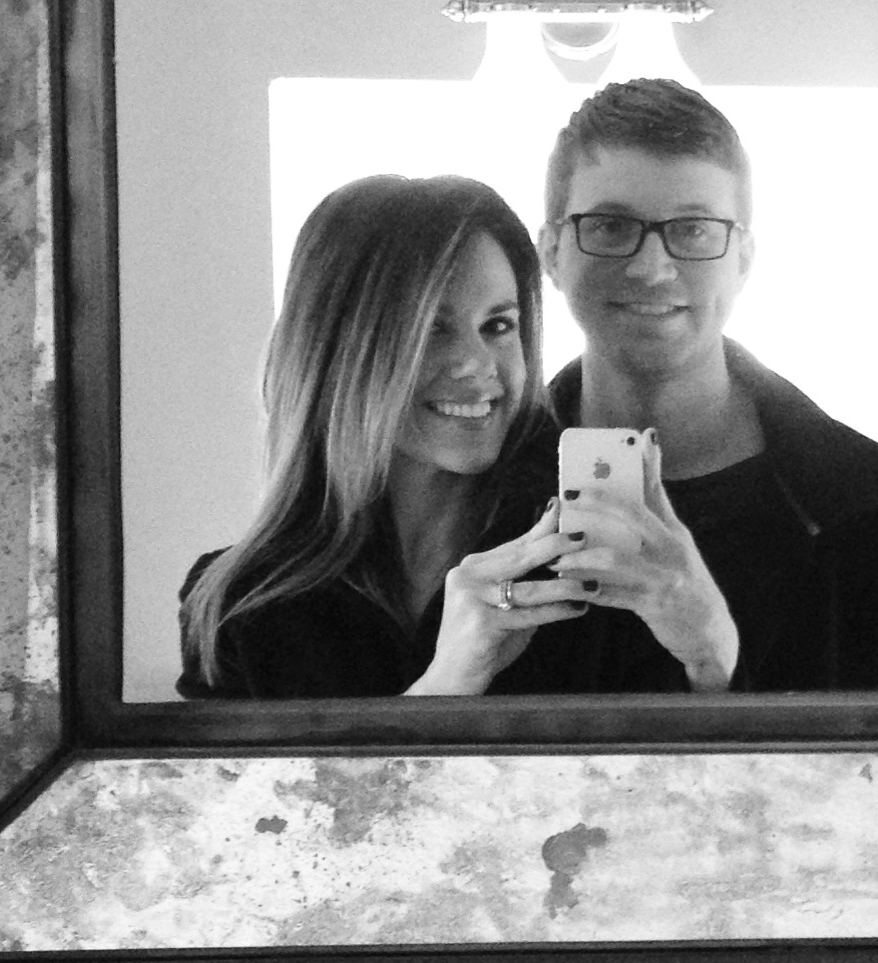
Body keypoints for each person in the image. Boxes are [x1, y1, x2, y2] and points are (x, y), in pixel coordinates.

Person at [539, 78, 878, 692]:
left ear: (744, 258)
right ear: (551, 251)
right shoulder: (478, 501)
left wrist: (715, 657)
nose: (651, 267)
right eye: (610, 226)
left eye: (695, 229)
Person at [177, 174, 687, 698]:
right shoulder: (239, 604)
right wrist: (446, 687)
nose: (476, 364)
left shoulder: (596, 555)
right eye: (431, 329)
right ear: (339, 349)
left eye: (498, 326)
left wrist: (710, 653)